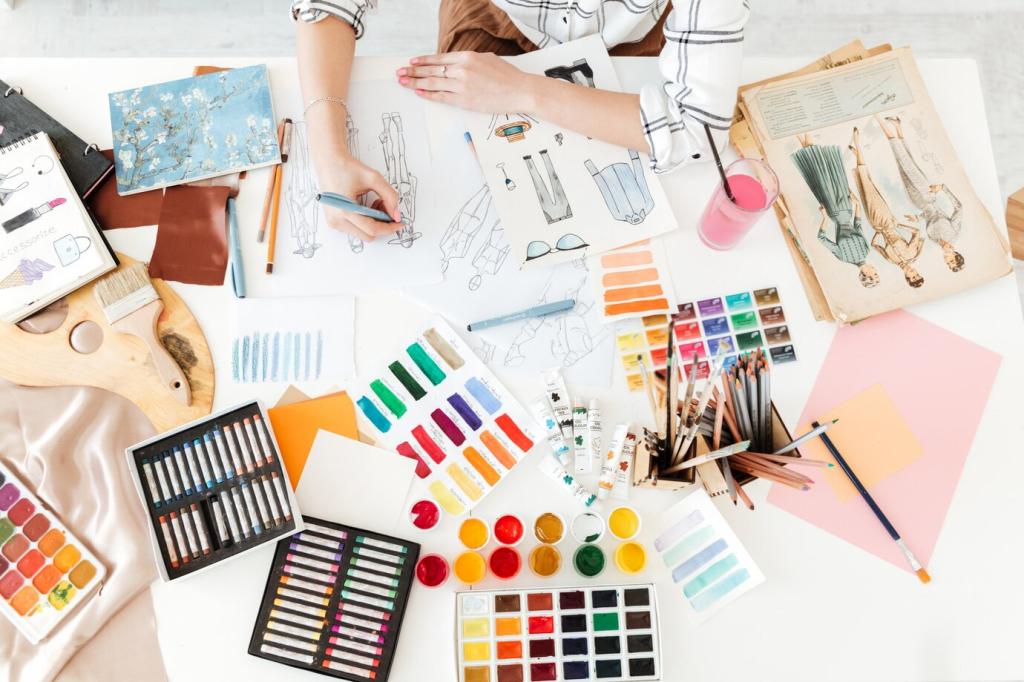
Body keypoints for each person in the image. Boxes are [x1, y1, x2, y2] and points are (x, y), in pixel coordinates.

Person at [292, 0, 749, 243]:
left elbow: (699, 130)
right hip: (496, 17)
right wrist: (329, 153)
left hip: (628, 42)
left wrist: (525, 91)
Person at [875, 115, 965, 272]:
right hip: (927, 194)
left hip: (915, 199)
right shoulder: (954, 233)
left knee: (904, 163)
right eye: (951, 260)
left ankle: (897, 126)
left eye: (947, 263)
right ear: (956, 254)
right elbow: (959, 208)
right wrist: (943, 188)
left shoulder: (934, 240)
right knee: (903, 160)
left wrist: (918, 218)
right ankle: (879, 120)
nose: (946, 259)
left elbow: (929, 215)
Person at [790, 134, 880, 288]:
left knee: (820, 175)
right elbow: (858, 225)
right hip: (848, 208)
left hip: (834, 211)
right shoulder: (866, 251)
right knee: (829, 172)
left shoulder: (843, 257)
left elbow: (822, 238)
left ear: (866, 275)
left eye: (874, 275)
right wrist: (857, 204)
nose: (876, 271)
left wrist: (825, 217)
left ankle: (802, 136)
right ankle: (802, 136)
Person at [848, 127, 925, 289]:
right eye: (917, 274)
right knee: (868, 188)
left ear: (907, 278)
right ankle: (858, 144)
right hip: (887, 220)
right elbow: (917, 232)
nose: (914, 272)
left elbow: (875, 245)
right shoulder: (912, 253)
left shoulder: (891, 260)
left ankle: (858, 155)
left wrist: (878, 232)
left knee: (864, 191)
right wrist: (898, 225)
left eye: (912, 277)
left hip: (875, 224)